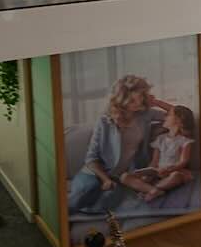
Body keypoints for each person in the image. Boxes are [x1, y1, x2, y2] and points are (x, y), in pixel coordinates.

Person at [67, 75, 172, 213]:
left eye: (140, 97)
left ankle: (81, 209)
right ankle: (66, 212)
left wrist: (157, 102)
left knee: (107, 201)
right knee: (85, 191)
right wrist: (105, 179)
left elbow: (179, 115)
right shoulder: (105, 122)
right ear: (121, 100)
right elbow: (91, 158)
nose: (138, 102)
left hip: (119, 177)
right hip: (94, 172)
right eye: (132, 100)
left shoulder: (146, 114)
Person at [123, 105, 196, 203]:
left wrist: (170, 169)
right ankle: (153, 190)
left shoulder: (185, 141)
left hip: (173, 171)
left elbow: (183, 161)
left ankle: (151, 189)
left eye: (168, 115)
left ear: (178, 120)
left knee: (176, 176)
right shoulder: (160, 139)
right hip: (157, 172)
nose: (165, 117)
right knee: (125, 177)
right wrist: (146, 175)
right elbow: (154, 162)